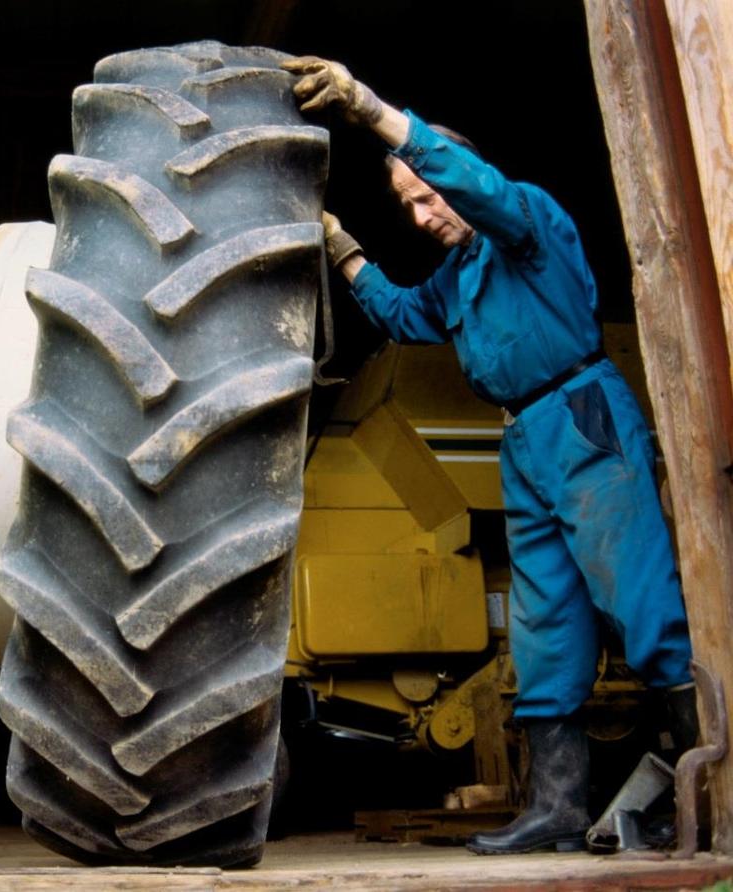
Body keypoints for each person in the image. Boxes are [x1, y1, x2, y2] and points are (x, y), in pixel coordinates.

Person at [281, 55, 698, 855]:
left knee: (637, 597)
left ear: (462, 180)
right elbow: (404, 315)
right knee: (546, 623)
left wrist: (370, 107)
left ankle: (710, 781)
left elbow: (473, 187)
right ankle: (557, 808)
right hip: (525, 442)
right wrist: (338, 242)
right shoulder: (459, 274)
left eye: (429, 196)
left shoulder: (525, 224)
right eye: (407, 204)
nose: (422, 214)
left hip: (582, 417)